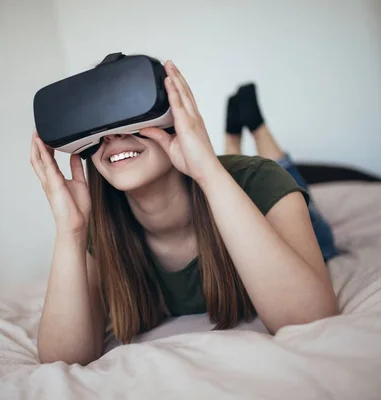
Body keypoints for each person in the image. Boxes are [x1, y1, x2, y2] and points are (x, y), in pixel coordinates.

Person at [30, 60, 339, 366]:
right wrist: (70, 230)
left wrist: (208, 170)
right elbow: (62, 360)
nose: (111, 136)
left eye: (128, 120)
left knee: (314, 219)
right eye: (100, 130)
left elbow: (309, 320)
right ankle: (231, 140)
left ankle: (255, 129)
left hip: (259, 190)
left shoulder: (259, 180)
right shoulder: (102, 227)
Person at [224, 83, 339, 261]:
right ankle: (258, 129)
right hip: (310, 247)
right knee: (301, 212)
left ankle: (232, 139)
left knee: (232, 207)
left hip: (246, 245)